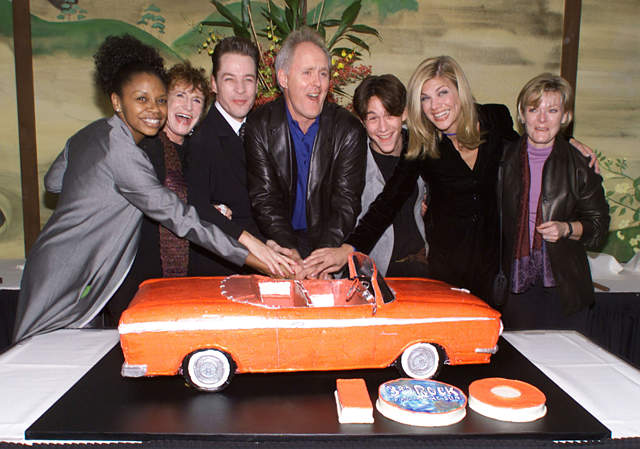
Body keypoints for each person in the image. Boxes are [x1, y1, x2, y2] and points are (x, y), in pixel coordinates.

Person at [13, 35, 294, 343]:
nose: (154, 110)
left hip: (59, 260)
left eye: (161, 100)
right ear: (117, 101)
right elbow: (184, 219)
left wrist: (94, 194)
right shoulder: (124, 155)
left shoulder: (92, 133)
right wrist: (261, 261)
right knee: (35, 364)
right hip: (67, 271)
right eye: (141, 99)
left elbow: (53, 181)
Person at [245, 27, 367, 267]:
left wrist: (320, 260)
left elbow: (346, 201)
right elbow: (265, 199)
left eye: (323, 73)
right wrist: (290, 254)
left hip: (329, 242)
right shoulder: (259, 125)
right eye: (307, 73)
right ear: (283, 78)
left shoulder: (348, 129)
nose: (317, 84)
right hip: (279, 243)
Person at [499, 73, 609, 330]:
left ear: (565, 116)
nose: (542, 119)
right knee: (520, 366)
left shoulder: (580, 164)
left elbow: (599, 226)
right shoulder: (501, 159)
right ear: (522, 114)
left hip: (565, 287)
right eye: (534, 109)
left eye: (552, 110)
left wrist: (566, 229)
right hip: (513, 287)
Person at [304, 75, 429, 277]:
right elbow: (336, 215)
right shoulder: (353, 160)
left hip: (421, 267)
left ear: (404, 113)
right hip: (375, 273)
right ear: (362, 122)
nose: (383, 127)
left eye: (390, 115)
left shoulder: (418, 147)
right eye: (373, 118)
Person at [186, 36, 265, 276]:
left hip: (267, 264)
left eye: (248, 80)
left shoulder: (264, 129)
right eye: (229, 79)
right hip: (222, 274)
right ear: (214, 84)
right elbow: (195, 209)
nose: (240, 90)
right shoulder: (199, 139)